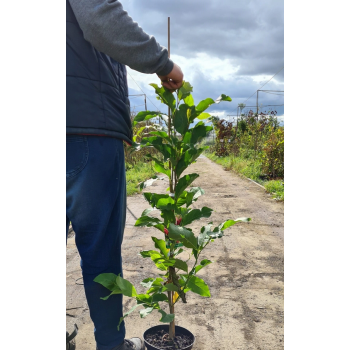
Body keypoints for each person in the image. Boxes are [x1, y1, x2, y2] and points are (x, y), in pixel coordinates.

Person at [66, 1, 184, 350]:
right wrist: (162, 63)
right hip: (86, 129)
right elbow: (100, 17)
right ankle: (112, 345)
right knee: (99, 250)